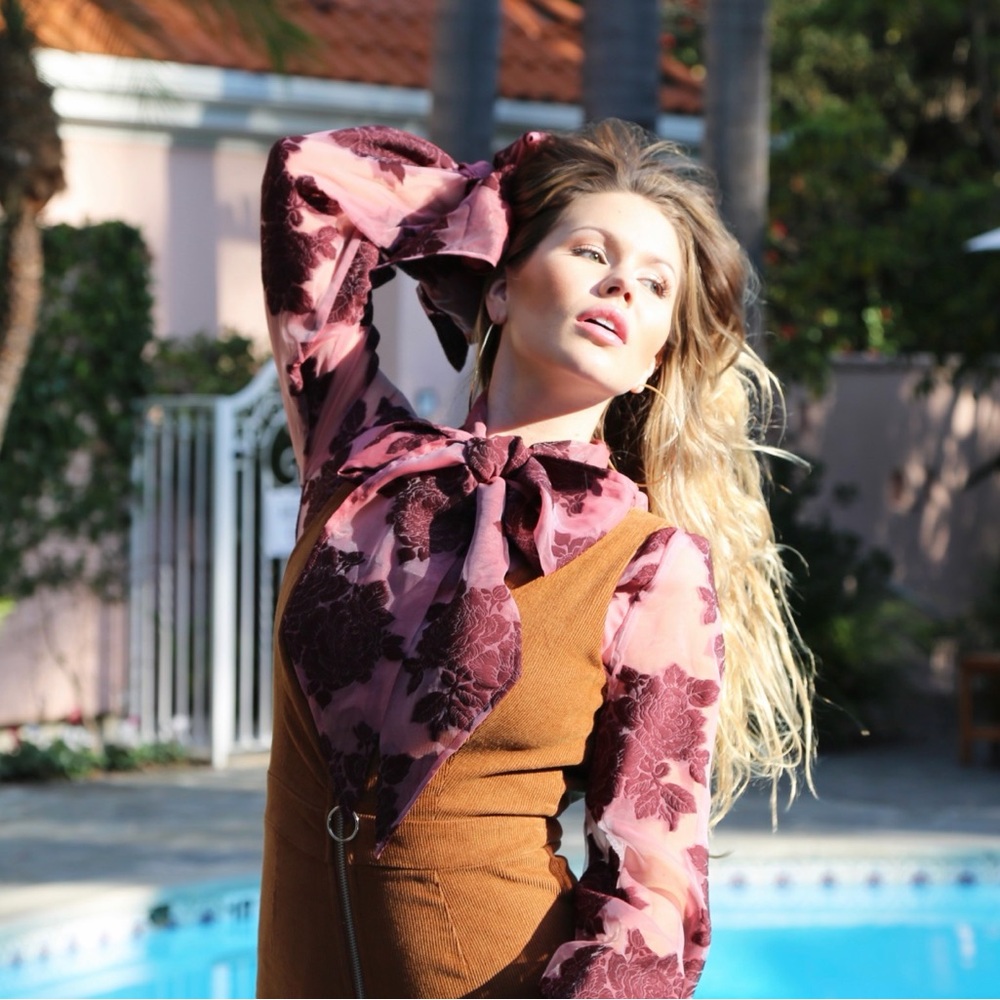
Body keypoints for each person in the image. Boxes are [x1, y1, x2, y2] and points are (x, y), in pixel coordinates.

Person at [255, 119, 813, 1000]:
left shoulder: (652, 562)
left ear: (651, 361)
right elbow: (310, 178)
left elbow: (652, 887)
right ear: (503, 287)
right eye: (591, 250)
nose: (621, 283)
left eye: (654, 284)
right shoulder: (357, 451)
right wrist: (491, 197)